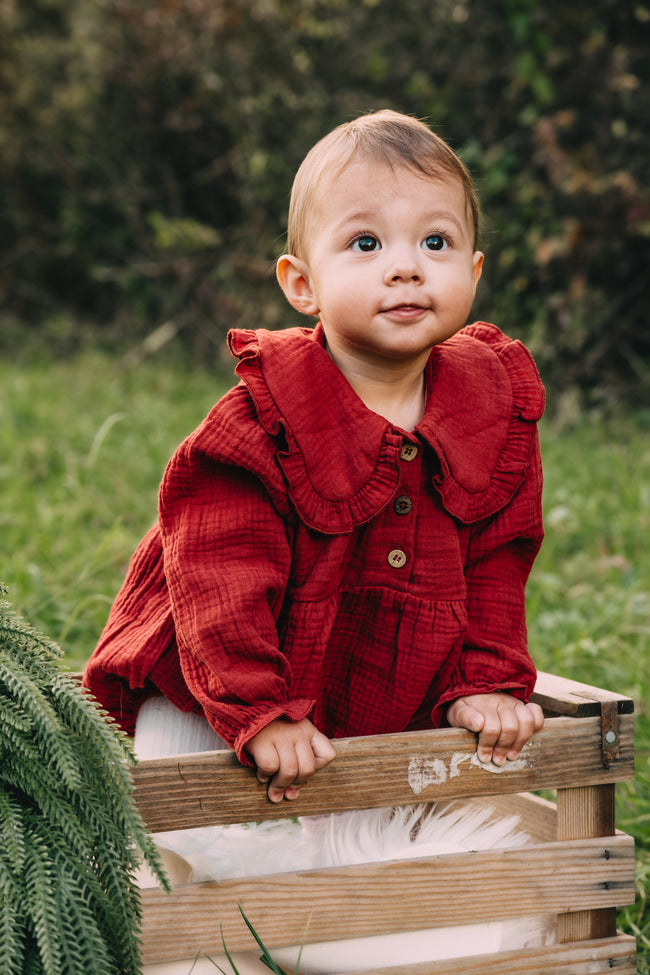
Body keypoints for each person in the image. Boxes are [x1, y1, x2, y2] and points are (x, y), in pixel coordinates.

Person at [84, 109, 545, 804]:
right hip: (217, 683)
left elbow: (498, 565)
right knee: (195, 793)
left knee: (406, 837)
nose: (405, 267)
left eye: (436, 241)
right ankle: (197, 865)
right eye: (366, 242)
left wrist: (483, 681)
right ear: (302, 284)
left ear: (473, 271)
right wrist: (256, 707)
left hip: (369, 704)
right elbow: (220, 576)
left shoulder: (491, 411)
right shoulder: (260, 422)